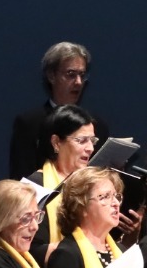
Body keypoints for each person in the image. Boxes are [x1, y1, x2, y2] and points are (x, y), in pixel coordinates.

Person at [8, 42, 108, 178]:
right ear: (51, 76)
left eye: (82, 75)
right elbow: (20, 175)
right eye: (71, 74)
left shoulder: (97, 125)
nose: (78, 82)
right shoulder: (30, 123)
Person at [24, 104, 98, 254]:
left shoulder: (94, 183)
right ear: (56, 143)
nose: (90, 148)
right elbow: (31, 248)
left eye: (92, 140)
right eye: (82, 141)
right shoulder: (34, 187)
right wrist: (76, 251)